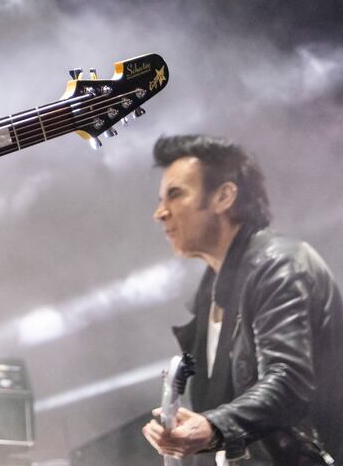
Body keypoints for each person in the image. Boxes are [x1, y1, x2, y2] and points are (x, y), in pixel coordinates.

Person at [141, 135, 342, 465]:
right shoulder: (212, 292)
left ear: (224, 196)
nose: (160, 213)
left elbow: (289, 381)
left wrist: (213, 425)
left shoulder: (280, 265)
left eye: (175, 195)